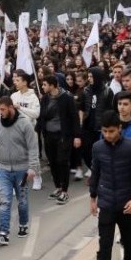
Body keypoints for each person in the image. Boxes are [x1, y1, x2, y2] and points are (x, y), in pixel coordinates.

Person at [89, 110, 131, 260]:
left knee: (129, 240)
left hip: (127, 204)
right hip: (106, 204)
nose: (107, 135)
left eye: (111, 131)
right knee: (104, 245)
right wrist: (92, 198)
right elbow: (95, 173)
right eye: (104, 131)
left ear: (120, 128)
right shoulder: (97, 148)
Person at [0, 96, 39, 246]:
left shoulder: (25, 123)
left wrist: (33, 168)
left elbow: (33, 148)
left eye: (2, 109)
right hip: (3, 170)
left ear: (11, 108)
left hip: (22, 169)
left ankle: (23, 224)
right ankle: (3, 234)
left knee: (22, 201)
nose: (0, 112)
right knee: (5, 201)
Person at [37, 76, 80, 204]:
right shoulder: (44, 99)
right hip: (48, 135)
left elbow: (74, 117)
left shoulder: (66, 98)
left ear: (52, 85)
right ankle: (58, 188)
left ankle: (65, 191)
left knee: (62, 161)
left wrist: (77, 136)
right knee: (53, 162)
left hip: (63, 136)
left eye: (45, 84)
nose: (43, 87)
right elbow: (42, 116)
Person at [9, 69, 42, 190]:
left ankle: (37, 177)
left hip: (30, 130)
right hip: (17, 130)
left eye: (18, 80)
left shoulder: (33, 97)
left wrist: (21, 108)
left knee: (33, 155)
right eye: (15, 80)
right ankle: (21, 178)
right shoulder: (14, 96)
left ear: (24, 82)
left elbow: (36, 114)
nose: (15, 82)